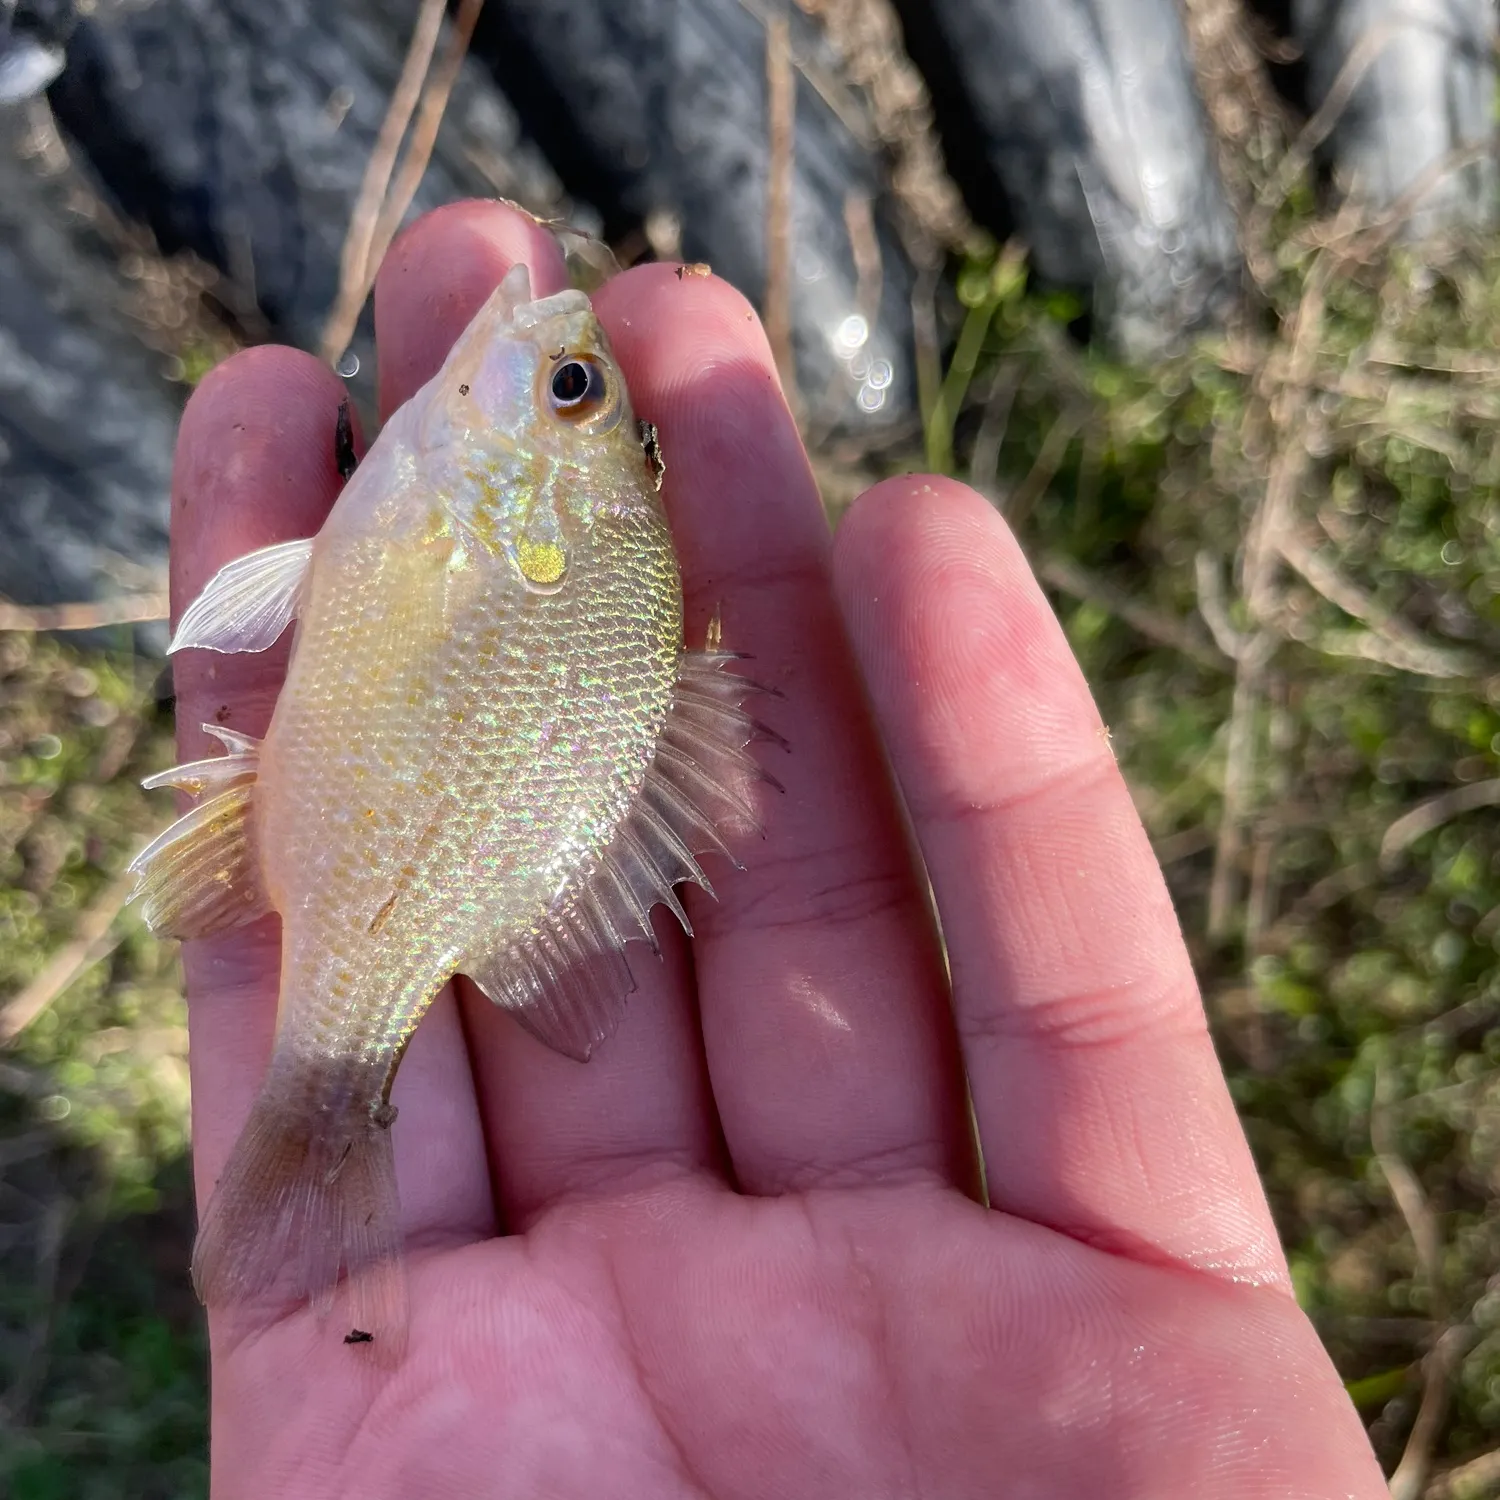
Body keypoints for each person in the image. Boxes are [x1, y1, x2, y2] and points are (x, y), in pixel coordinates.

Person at [171, 200, 1386, 1498]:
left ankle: (318, 1118)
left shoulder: (468, 513)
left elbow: (282, 609)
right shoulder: (475, 518)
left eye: (570, 390)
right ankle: (313, 1137)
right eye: (577, 389)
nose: (557, 362)